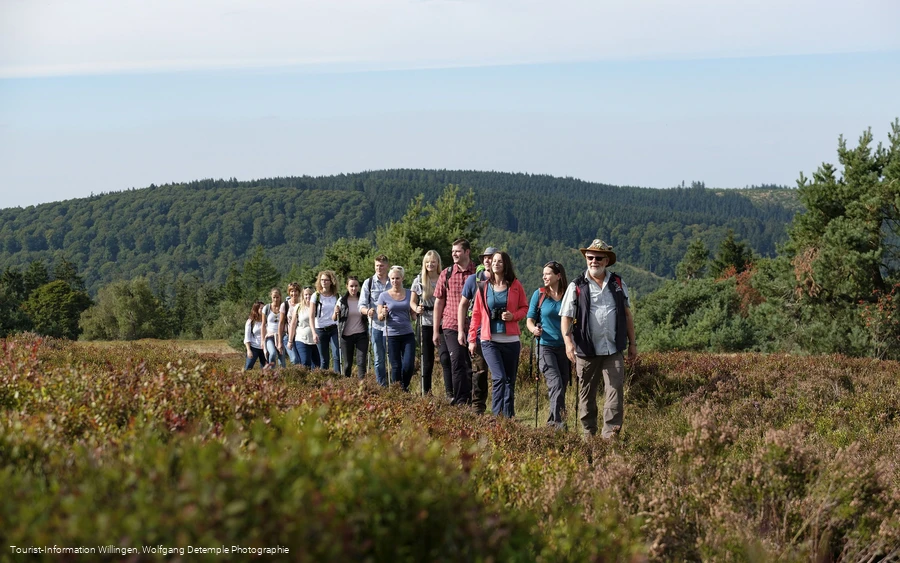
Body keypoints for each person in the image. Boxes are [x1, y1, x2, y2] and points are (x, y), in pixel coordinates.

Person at [560, 239, 638, 439]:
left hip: (613, 349)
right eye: (590, 257)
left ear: (606, 261)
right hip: (586, 350)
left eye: (598, 258)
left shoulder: (618, 283)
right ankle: (589, 436)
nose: (593, 261)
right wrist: (568, 344)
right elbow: (566, 317)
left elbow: (627, 315)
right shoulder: (576, 285)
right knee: (587, 396)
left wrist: (632, 344)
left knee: (615, 394)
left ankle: (610, 438)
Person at [468, 251, 528, 418]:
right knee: (499, 377)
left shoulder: (516, 285)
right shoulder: (483, 287)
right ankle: (496, 417)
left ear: (505, 264)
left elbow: (524, 308)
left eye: (499, 261)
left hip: (511, 340)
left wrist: (513, 316)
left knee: (510, 381)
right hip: (489, 340)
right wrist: (472, 339)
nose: (495, 264)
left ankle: (508, 419)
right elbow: (476, 314)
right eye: (494, 261)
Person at [526, 261, 570, 429]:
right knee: (556, 383)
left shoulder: (568, 295)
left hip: (564, 347)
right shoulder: (540, 294)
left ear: (558, 276)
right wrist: (533, 330)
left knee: (562, 384)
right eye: (543, 274)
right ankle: (559, 425)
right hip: (544, 346)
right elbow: (529, 320)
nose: (544, 276)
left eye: (548, 274)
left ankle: (552, 424)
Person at [433, 239, 477, 405]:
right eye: (453, 252)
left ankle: (474, 400)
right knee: (457, 360)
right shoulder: (447, 273)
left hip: (473, 325)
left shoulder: (478, 273)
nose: (454, 254)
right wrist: (436, 331)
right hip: (451, 324)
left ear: (467, 252)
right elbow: (439, 302)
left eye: (457, 251)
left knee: (472, 364)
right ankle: (461, 401)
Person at [457, 246, 498, 414]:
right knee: (479, 371)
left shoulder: (505, 281)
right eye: (485, 258)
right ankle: (478, 408)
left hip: (500, 333)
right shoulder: (473, 280)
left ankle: (499, 408)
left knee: (498, 374)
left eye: (491, 257)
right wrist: (462, 331)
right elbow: (463, 305)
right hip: (480, 333)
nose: (488, 260)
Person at [410, 250, 449, 395]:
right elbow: (412, 302)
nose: (430, 264)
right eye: (427, 262)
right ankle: (426, 392)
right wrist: (416, 308)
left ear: (438, 263)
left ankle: (449, 393)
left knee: (445, 357)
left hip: (442, 322)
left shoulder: (443, 279)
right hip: (425, 322)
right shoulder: (419, 280)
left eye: (433, 262)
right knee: (427, 361)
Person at [377, 266, 417, 391]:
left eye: (397, 278)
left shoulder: (410, 293)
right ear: (389, 279)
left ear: (403, 278)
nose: (395, 281)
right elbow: (379, 317)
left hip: (407, 333)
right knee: (396, 366)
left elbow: (413, 314)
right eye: (393, 278)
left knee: (409, 365)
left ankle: (404, 387)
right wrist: (383, 313)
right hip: (390, 334)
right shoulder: (383, 296)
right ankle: (397, 391)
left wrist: (418, 311)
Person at [359, 255, 390, 386]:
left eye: (381, 265)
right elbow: (361, 305)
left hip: (391, 326)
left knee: (393, 358)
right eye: (377, 265)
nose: (379, 268)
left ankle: (394, 385)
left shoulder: (393, 281)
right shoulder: (369, 282)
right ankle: (381, 385)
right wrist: (368, 311)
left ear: (387, 266)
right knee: (378, 358)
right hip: (376, 325)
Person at [336, 276, 368, 378]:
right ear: (347, 286)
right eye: (351, 286)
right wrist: (336, 311)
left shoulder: (363, 300)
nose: (354, 288)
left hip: (361, 334)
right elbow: (334, 318)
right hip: (346, 336)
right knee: (347, 364)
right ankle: (347, 384)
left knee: (361, 362)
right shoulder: (342, 301)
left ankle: (362, 386)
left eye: (356, 286)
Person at [310, 270, 341, 374]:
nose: (324, 282)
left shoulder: (337, 296)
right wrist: (314, 333)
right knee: (324, 359)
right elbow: (311, 316)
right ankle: (325, 382)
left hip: (334, 328)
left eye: (326, 280)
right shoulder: (316, 296)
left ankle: (338, 379)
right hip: (320, 329)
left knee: (337, 355)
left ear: (331, 281)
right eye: (322, 280)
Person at [288, 286, 319, 369]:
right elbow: (293, 324)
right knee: (305, 361)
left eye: (310, 294)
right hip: (301, 339)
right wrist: (290, 341)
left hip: (316, 341)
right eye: (306, 294)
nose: (308, 296)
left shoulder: (318, 306)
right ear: (303, 295)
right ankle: (303, 380)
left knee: (317, 365)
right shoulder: (298, 307)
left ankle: (314, 381)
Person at [261, 287, 286, 368]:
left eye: (277, 297)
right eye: (274, 297)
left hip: (281, 336)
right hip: (270, 336)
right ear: (271, 297)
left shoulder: (283, 307)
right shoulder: (266, 308)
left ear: (280, 297)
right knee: (272, 353)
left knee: (282, 359)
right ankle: (271, 372)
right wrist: (262, 340)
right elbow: (263, 325)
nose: (275, 299)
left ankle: (283, 375)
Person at [279, 283, 301, 364]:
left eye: (296, 291)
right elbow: (281, 323)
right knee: (295, 359)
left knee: (303, 361)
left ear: (299, 292)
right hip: (288, 337)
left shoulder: (303, 304)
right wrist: (279, 341)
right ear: (289, 292)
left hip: (301, 337)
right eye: (292, 291)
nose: (294, 293)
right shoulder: (285, 305)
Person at [243, 301, 267, 370]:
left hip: (264, 347)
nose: (263, 310)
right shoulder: (251, 322)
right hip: (254, 348)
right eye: (261, 308)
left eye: (264, 308)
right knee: (248, 367)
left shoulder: (267, 320)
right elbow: (247, 337)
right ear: (256, 309)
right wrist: (248, 350)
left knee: (265, 369)